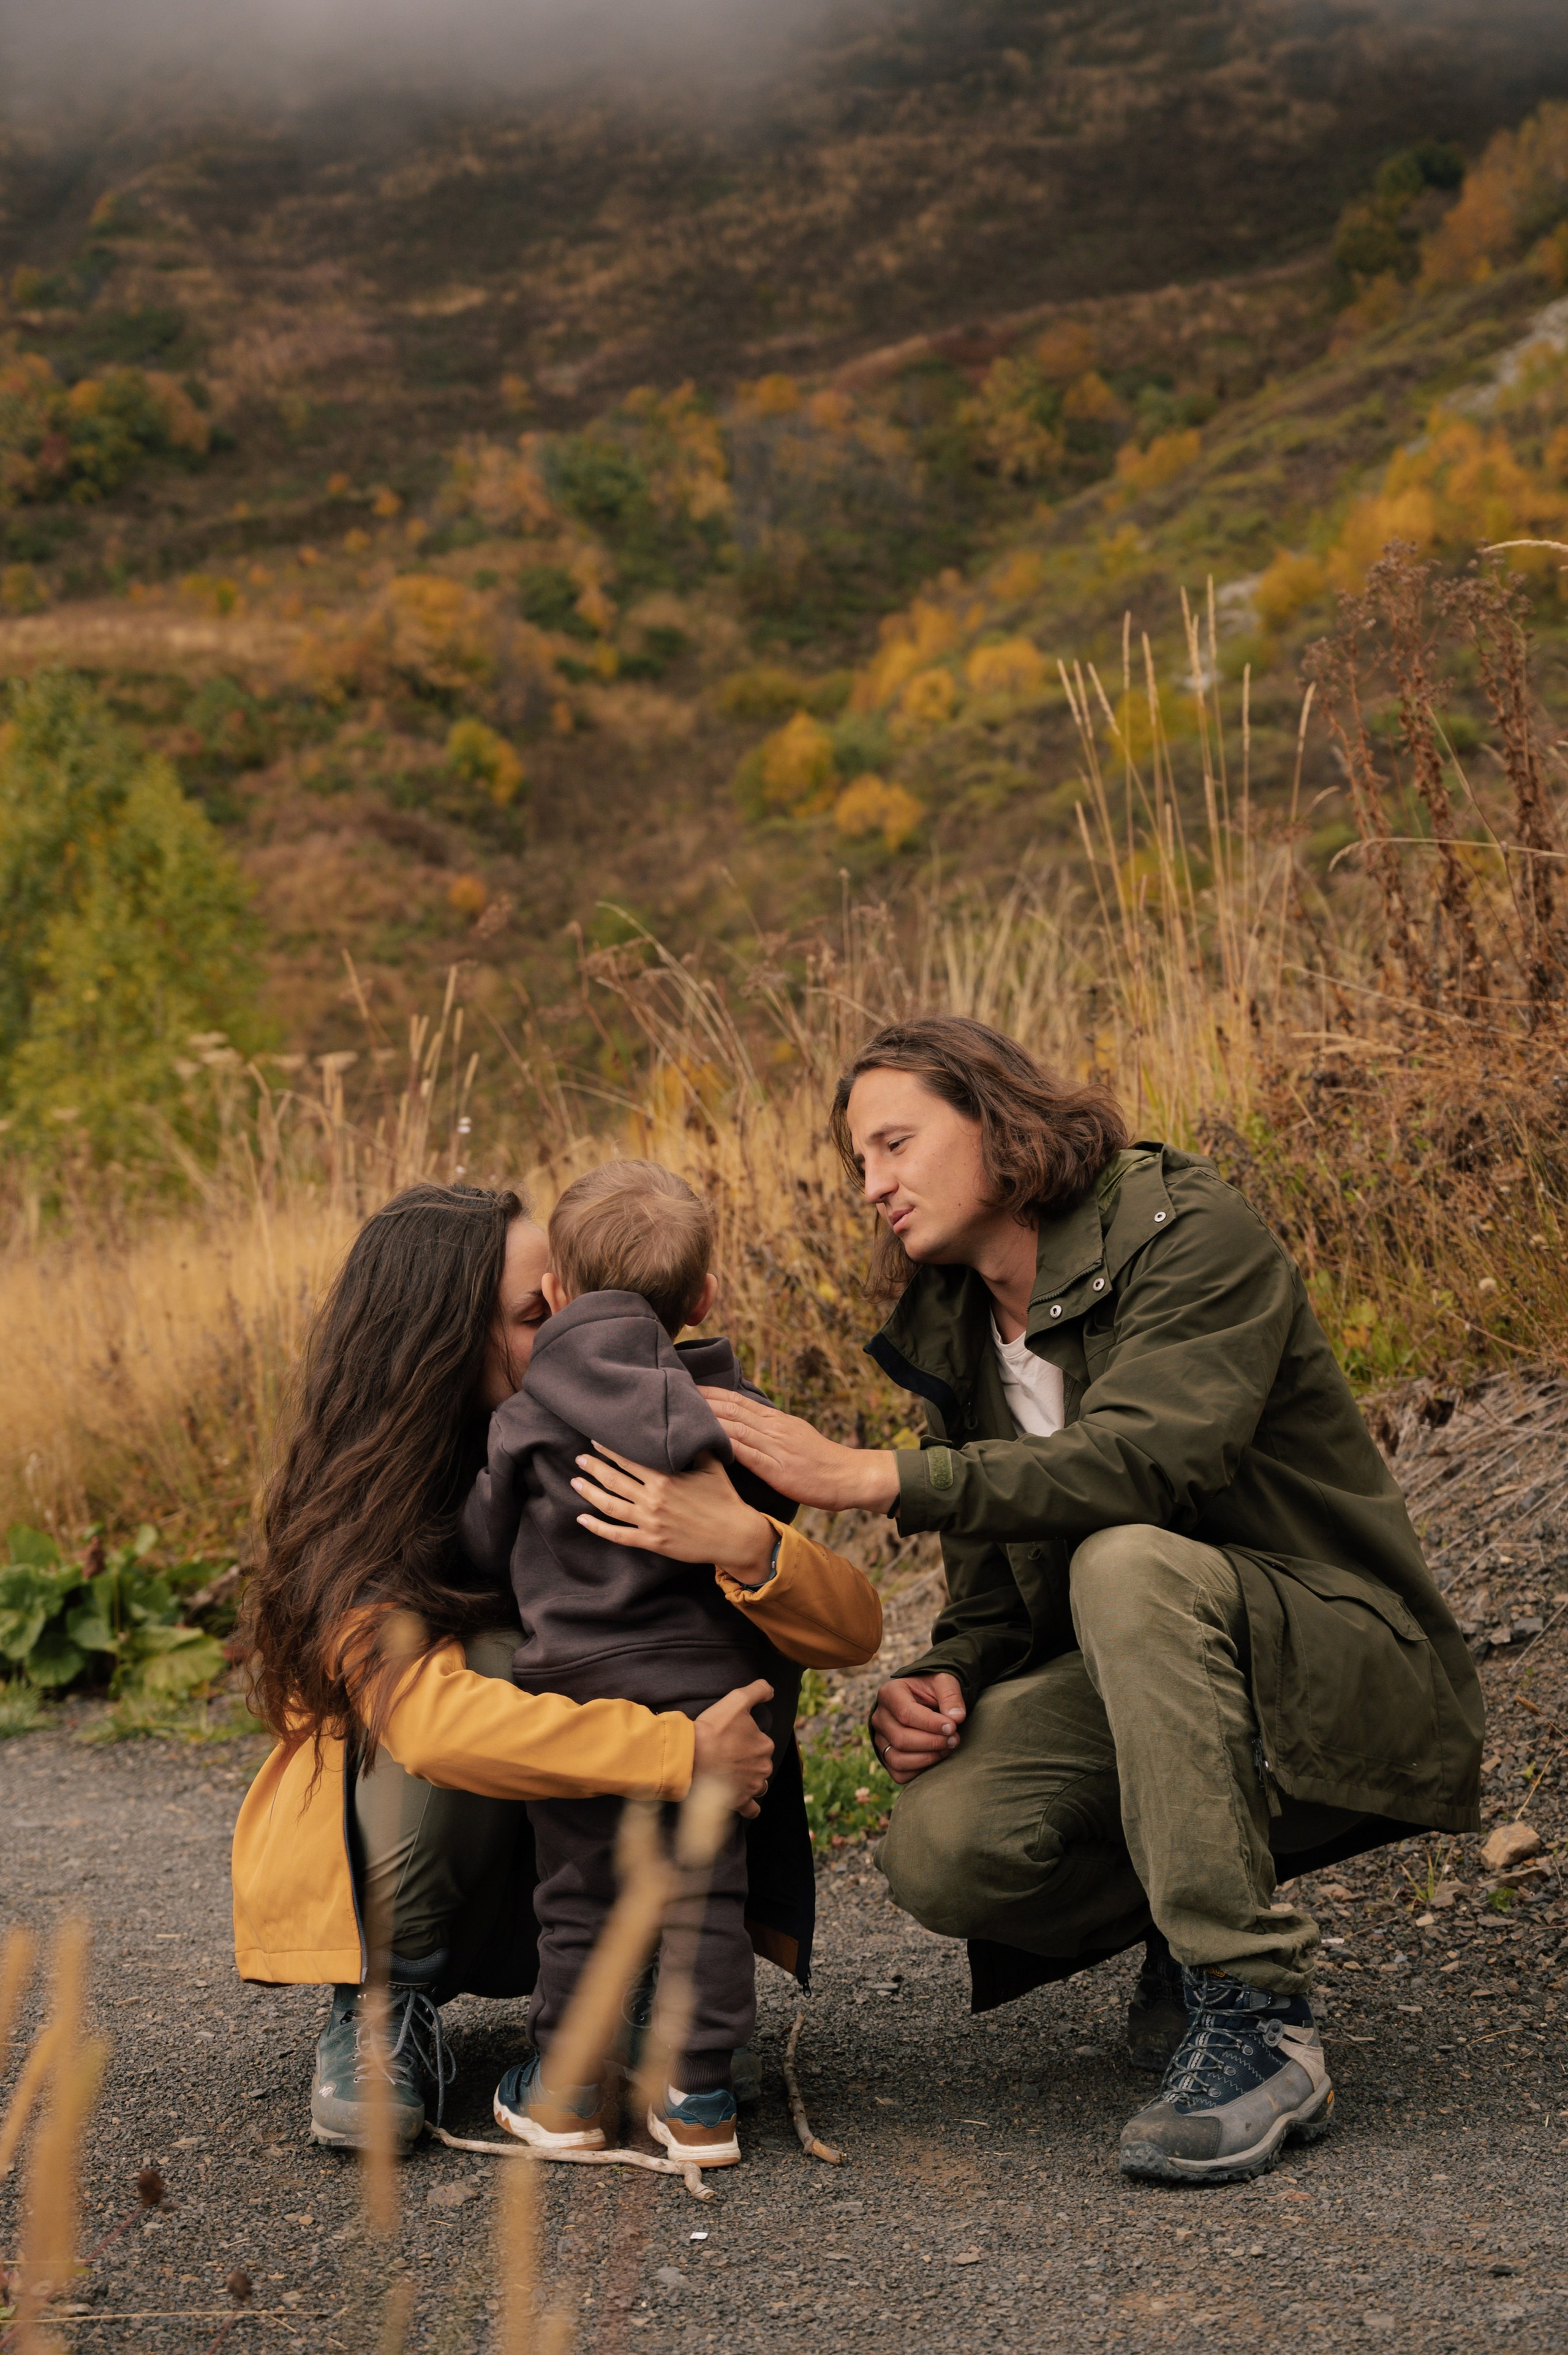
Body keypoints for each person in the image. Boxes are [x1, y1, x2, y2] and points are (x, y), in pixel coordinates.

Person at [704, 1016, 1484, 2187]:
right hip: (1158, 1680)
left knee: (1124, 1560)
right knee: (942, 1847)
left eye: (896, 1145)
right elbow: (991, 1591)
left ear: (995, 1120)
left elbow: (1153, 1460)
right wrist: (947, 1679)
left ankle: (1256, 2013)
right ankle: (1193, 1913)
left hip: (1347, 1659)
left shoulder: (1184, 1229)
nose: (872, 1186)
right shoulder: (960, 1331)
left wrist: (883, 1476)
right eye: (859, 1163)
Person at [232, 1180, 878, 2153]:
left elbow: (853, 1627)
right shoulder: (367, 1508)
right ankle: (385, 2006)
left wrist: (743, 1542)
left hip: (603, 1862)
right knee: (494, 1660)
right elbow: (433, 1727)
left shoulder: (678, 1421)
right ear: (446, 1344)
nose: (582, 1329)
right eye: (541, 1315)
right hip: (460, 1867)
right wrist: (681, 1754)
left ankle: (658, 2006)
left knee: (724, 1639)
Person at [459, 1159, 879, 2168]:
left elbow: (478, 1550)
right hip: (718, 1705)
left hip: (583, 1707)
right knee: (703, 1903)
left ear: (556, 1292)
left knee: (578, 1901)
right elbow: (771, 1522)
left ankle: (564, 2095)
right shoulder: (737, 1416)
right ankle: (699, 2106)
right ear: (702, 1299)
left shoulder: (523, 1420)